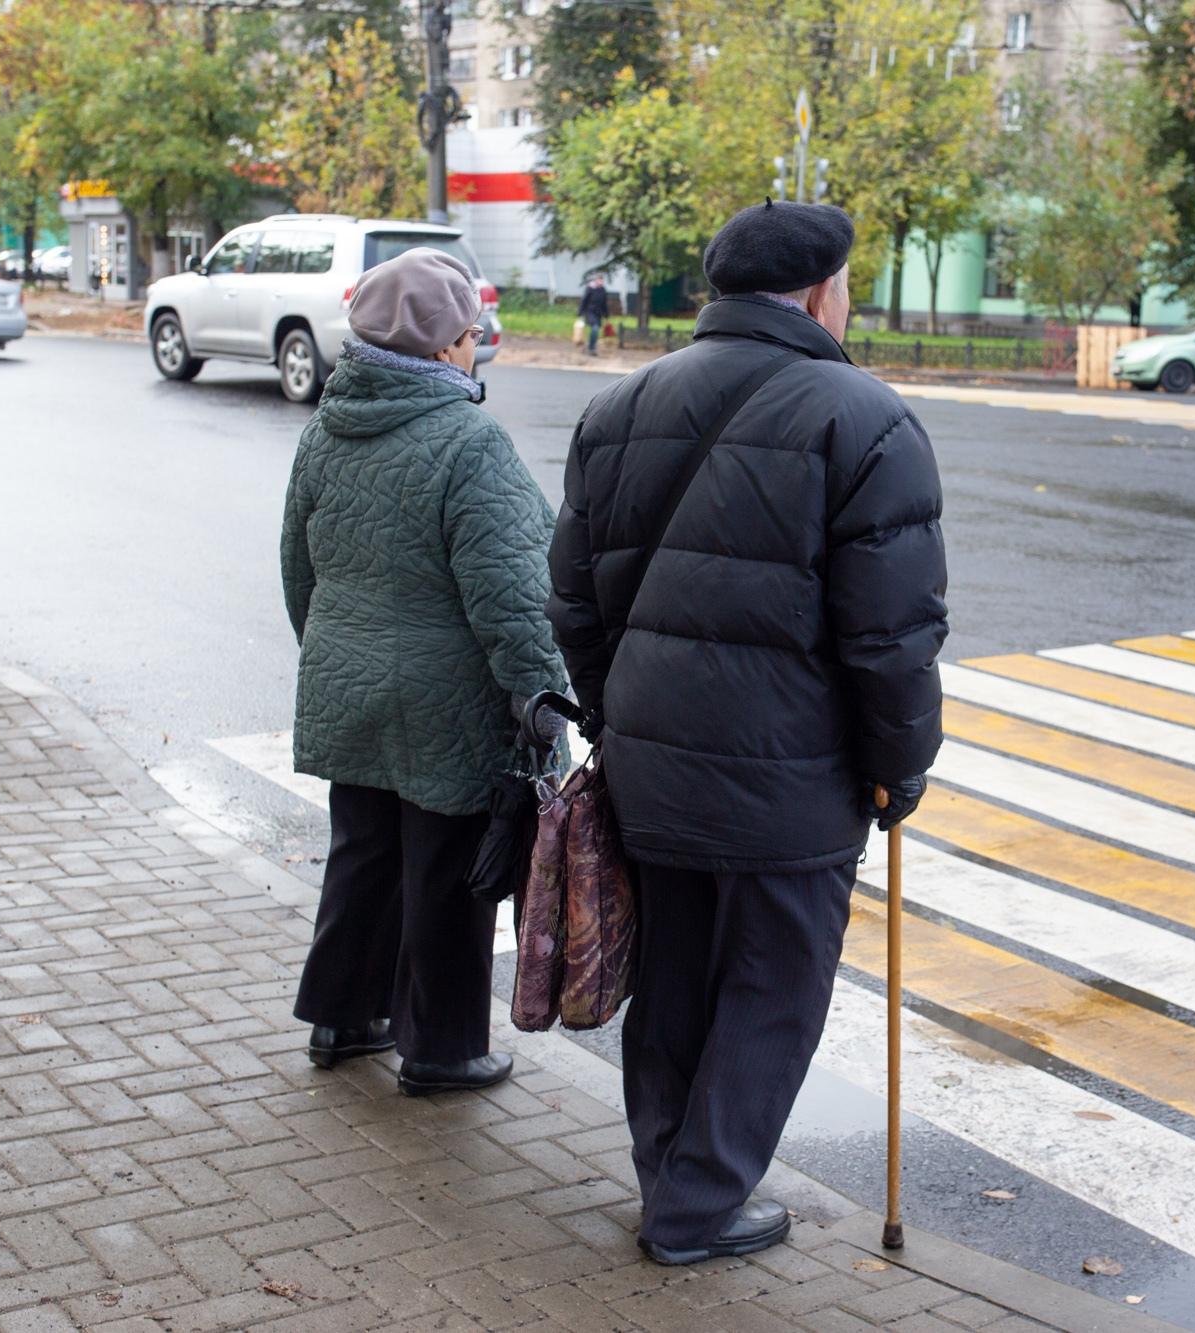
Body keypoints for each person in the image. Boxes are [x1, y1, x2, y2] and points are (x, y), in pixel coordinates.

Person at [547, 201, 948, 1264]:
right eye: (848, 283)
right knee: (772, 989)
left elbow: (574, 606)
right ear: (821, 290)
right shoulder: (865, 417)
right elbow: (890, 639)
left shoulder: (619, 407)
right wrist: (897, 768)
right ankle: (696, 1207)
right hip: (793, 779)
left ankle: (669, 1175)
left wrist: (617, 720)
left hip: (649, 764)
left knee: (673, 979)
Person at [281, 246, 566, 1096]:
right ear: (444, 348)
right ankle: (441, 1050)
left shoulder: (326, 427)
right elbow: (515, 594)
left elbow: (300, 570)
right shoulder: (470, 440)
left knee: (362, 856)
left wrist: (335, 653)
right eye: (472, 333)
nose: (477, 346)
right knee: (447, 875)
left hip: (348, 683)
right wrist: (543, 697)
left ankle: (342, 1017)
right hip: (446, 703)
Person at [577, 274, 610, 356]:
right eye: (599, 280)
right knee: (595, 328)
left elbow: (604, 304)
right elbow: (584, 301)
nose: (601, 282)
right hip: (589, 312)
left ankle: (590, 346)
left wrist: (606, 316)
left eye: (602, 280)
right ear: (596, 280)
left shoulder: (603, 290)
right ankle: (591, 348)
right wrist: (580, 312)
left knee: (596, 330)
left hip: (598, 314)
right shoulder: (590, 288)